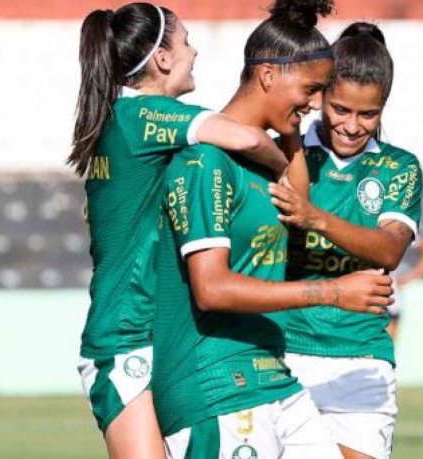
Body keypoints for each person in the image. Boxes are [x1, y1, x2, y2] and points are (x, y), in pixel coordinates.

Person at [153, 2, 394, 458]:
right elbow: (212, 288)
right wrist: (335, 293)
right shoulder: (206, 162)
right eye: (310, 89)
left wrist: (287, 128)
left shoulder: (265, 161)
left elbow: (296, 195)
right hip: (217, 385)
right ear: (267, 75)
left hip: (272, 377)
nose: (314, 104)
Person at [70, 3, 289, 457]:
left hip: (157, 335)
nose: (195, 51)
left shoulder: (126, 120)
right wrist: (286, 170)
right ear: (162, 59)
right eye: (186, 41)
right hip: (124, 338)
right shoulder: (142, 116)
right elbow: (246, 137)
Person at [268, 22, 423, 459]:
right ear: (319, 97)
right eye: (340, 109)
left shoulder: (399, 167)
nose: (353, 126)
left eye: (368, 115)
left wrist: (313, 217)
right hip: (286, 352)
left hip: (362, 360)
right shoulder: (285, 152)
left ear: (383, 106)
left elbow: (389, 250)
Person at [387, 232, 423, 341]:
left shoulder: (391, 221)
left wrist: (408, 278)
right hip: (352, 299)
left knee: (381, 353)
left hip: (386, 301)